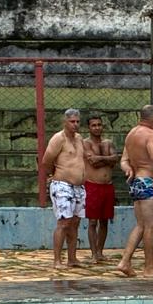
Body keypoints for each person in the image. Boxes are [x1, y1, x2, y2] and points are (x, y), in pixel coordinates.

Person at [117, 105, 153, 277]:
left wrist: (128, 168)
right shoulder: (151, 134)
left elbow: (124, 160)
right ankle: (149, 268)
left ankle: (124, 261)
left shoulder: (131, 134)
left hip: (137, 182)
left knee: (141, 225)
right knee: (151, 227)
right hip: (148, 182)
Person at [40, 108, 87, 269]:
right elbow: (46, 160)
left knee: (75, 222)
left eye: (77, 121)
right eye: (72, 122)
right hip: (62, 184)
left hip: (78, 186)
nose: (75, 124)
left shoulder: (79, 138)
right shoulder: (58, 138)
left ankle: (72, 258)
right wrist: (53, 174)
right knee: (64, 222)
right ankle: (57, 260)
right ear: (65, 122)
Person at [83, 114, 119, 264]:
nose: (97, 128)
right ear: (89, 127)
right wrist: (107, 159)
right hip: (93, 186)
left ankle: (100, 252)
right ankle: (93, 253)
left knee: (104, 221)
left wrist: (101, 158)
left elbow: (115, 159)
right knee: (93, 221)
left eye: (99, 125)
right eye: (94, 125)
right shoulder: (85, 143)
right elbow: (93, 162)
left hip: (107, 186)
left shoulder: (108, 142)